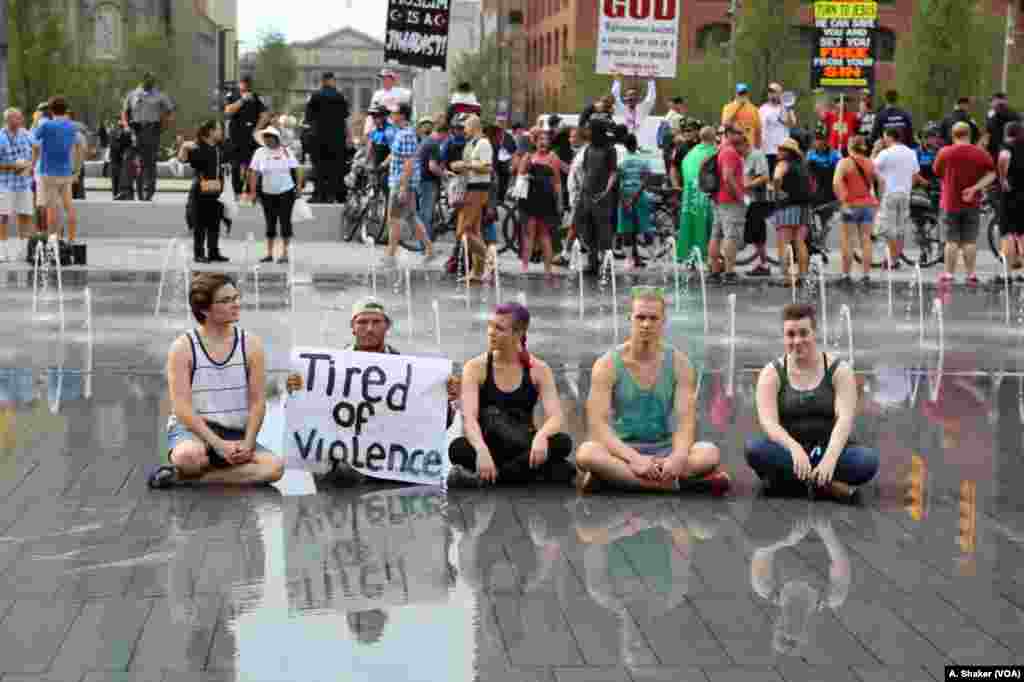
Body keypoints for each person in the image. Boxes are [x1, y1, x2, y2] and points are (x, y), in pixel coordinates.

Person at [574, 287, 729, 494]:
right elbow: (598, 425)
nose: (646, 324)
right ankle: (674, 485)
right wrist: (635, 459)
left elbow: (686, 422)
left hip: (664, 449)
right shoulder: (607, 364)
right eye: (640, 317)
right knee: (586, 453)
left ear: (663, 320)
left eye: (653, 318)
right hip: (622, 451)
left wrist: (678, 457)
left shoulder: (680, 363)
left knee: (709, 453)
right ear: (630, 318)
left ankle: (615, 479)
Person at [148, 272, 284, 489]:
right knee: (189, 457)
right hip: (193, 431)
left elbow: (258, 402)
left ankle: (184, 478)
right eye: (226, 301)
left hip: (236, 432)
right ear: (204, 309)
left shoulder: (251, 344)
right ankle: (214, 469)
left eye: (236, 298)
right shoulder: (183, 347)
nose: (236, 304)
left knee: (275, 468)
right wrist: (217, 444)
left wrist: (248, 443)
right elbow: (181, 408)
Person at [746, 303, 878, 502]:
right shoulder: (771, 373)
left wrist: (830, 458)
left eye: (803, 333)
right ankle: (824, 484)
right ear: (783, 337)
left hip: (829, 449)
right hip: (788, 453)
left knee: (867, 461)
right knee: (754, 449)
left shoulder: (839, 370)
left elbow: (845, 419)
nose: (797, 340)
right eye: (790, 334)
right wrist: (794, 448)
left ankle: (794, 481)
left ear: (814, 333)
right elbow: (768, 423)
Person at [449, 302, 573, 487]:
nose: (491, 332)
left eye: (499, 328)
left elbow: (556, 417)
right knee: (458, 448)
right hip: (491, 445)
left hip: (523, 442)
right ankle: (524, 474)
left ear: (518, 333)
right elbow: (469, 419)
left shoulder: (539, 369)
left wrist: (541, 436)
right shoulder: (475, 367)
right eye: (490, 325)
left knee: (563, 442)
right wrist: (482, 450)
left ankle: (494, 478)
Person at [933, 121, 997, 286]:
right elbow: (992, 174)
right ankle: (971, 274)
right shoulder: (980, 153)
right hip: (972, 203)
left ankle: (948, 274)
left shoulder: (945, 152)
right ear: (969, 134)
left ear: (953, 135)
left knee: (951, 240)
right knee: (970, 241)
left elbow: (937, 172)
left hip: (949, 201)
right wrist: (974, 188)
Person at [380, 103, 437, 269]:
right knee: (411, 218)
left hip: (401, 182)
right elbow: (399, 156)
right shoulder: (403, 133)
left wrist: (403, 187)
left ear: (402, 115)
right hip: (404, 182)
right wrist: (384, 164)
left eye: (395, 112)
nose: (392, 114)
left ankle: (390, 255)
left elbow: (409, 163)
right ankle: (429, 249)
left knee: (394, 219)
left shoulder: (405, 135)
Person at [244, 126, 302, 265]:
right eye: (265, 137)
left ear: (276, 138)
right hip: (267, 193)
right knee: (270, 223)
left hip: (286, 192)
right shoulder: (260, 152)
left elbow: (297, 168)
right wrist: (252, 192)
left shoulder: (286, 152)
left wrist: (298, 186)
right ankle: (269, 254)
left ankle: (285, 253)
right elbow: (254, 173)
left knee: (285, 222)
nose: (267, 140)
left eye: (270, 137)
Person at [30, 96, 83, 243]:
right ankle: (72, 240)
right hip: (66, 172)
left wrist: (36, 121)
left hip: (48, 173)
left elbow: (32, 140)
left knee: (52, 209)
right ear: (66, 110)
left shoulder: (46, 126)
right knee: (69, 207)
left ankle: (53, 242)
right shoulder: (72, 126)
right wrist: (76, 170)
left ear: (50, 110)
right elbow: (78, 146)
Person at [449, 114, 493, 281]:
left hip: (477, 190)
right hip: (471, 188)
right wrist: (458, 168)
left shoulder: (483, 143)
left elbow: (488, 168)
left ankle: (489, 259)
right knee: (474, 231)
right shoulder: (473, 143)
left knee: (463, 232)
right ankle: (477, 272)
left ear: (474, 127)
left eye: (465, 128)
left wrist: (465, 165)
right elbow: (473, 167)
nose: (463, 131)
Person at [178, 120, 228, 263]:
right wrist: (183, 146)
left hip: (217, 188)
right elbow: (182, 160)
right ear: (211, 131)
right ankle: (199, 254)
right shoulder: (198, 146)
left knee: (215, 222)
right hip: (201, 187)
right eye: (219, 129)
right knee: (200, 223)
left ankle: (213, 252)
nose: (221, 132)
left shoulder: (219, 147)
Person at [873, 126, 923, 268]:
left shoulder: (885, 153)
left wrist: (875, 150)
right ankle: (895, 259)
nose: (883, 140)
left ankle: (892, 260)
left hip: (890, 193)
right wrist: (908, 187)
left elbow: (871, 167)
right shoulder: (911, 153)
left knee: (889, 230)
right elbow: (915, 175)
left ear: (889, 137)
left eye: (884, 137)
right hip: (905, 194)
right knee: (900, 230)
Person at [121, 71, 175, 200]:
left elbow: (170, 112)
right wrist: (126, 126)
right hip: (135, 130)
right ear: (143, 80)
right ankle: (126, 190)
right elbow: (124, 112)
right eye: (148, 80)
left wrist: (163, 127)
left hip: (151, 130)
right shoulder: (132, 94)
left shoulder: (160, 96)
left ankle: (148, 189)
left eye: (152, 80)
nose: (150, 82)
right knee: (128, 159)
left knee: (149, 162)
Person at [832, 135, 878, 285]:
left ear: (849, 146)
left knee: (847, 240)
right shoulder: (870, 163)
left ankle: (846, 275)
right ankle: (866, 275)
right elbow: (881, 181)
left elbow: (836, 182)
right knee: (866, 240)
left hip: (850, 205)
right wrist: (879, 200)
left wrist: (842, 200)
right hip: (868, 206)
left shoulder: (844, 163)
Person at [517, 128, 563, 276]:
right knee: (529, 234)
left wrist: (560, 202)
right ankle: (524, 267)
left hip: (546, 200)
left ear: (549, 142)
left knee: (544, 234)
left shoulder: (553, 157)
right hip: (530, 199)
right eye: (540, 140)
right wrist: (525, 172)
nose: (543, 142)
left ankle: (548, 269)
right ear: (535, 142)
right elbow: (520, 176)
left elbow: (557, 182)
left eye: (546, 140)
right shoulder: (529, 156)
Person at [576, 117, 618, 276]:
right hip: (587, 195)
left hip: (603, 197)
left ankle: (606, 263)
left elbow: (613, 173)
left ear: (596, 131)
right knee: (589, 230)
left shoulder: (609, 149)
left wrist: (606, 192)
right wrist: (583, 191)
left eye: (589, 129)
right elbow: (586, 171)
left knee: (604, 231)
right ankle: (592, 263)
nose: (587, 132)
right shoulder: (588, 149)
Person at [708, 125, 747, 284]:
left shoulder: (720, 149)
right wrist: (739, 196)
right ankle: (729, 272)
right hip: (730, 201)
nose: (742, 134)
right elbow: (727, 176)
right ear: (729, 134)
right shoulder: (730, 152)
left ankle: (715, 271)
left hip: (719, 199)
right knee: (731, 235)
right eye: (739, 132)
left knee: (716, 235)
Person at [770, 138, 812, 285]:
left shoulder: (783, 164)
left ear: (788, 152)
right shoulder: (803, 166)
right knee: (801, 242)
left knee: (784, 243)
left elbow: (776, 178)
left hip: (787, 207)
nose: (779, 152)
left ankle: (786, 278)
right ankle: (803, 276)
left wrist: (778, 191)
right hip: (804, 207)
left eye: (782, 149)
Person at [305, 71, 351, 204]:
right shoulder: (340, 97)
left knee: (319, 167)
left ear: (322, 81)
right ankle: (334, 194)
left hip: (318, 138)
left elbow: (308, 119)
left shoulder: (315, 96)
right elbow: (345, 119)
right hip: (336, 139)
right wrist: (348, 137)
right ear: (331, 81)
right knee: (335, 167)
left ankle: (319, 194)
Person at [224, 75, 270, 197]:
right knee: (236, 164)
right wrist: (242, 100)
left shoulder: (256, 97)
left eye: (248, 84)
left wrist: (257, 129)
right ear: (239, 84)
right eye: (243, 83)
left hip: (251, 136)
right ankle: (237, 190)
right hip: (236, 135)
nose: (246, 86)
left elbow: (265, 115)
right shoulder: (232, 95)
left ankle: (252, 190)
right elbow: (228, 111)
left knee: (253, 164)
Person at [0, 108, 36, 259]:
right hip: (5, 183)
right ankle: (3, 250)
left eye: (20, 118)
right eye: (17, 118)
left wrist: (30, 165)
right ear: (8, 120)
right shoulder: (1, 137)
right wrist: (12, 167)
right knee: (3, 216)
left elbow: (37, 148)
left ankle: (23, 250)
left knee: (25, 215)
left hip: (23, 183)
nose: (20, 121)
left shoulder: (26, 134)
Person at [677, 125, 716, 263]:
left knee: (690, 225)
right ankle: (707, 259)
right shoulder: (714, 152)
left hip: (689, 196)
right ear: (713, 138)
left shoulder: (690, 153)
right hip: (705, 196)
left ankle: (689, 257)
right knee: (709, 228)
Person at [616, 133, 652, 270]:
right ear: (636, 144)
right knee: (638, 228)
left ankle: (629, 259)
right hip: (640, 196)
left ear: (625, 146)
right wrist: (636, 196)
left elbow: (617, 181)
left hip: (624, 195)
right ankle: (640, 258)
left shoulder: (620, 160)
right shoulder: (642, 159)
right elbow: (646, 178)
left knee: (626, 229)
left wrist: (624, 200)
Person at [743, 132, 773, 277]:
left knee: (757, 235)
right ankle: (761, 263)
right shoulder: (744, 156)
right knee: (754, 235)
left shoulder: (757, 155)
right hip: (750, 199)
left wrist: (748, 185)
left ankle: (763, 264)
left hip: (759, 199)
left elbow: (765, 176)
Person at [997, 121, 1024, 283]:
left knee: (1007, 233)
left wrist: (1003, 179)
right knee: (1022, 233)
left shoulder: (1007, 146)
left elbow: (1003, 158)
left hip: (1011, 195)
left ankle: (1007, 274)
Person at [416, 113, 448, 240]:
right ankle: (425, 245)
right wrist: (444, 174)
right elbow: (432, 166)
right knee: (426, 215)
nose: (446, 139)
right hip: (428, 183)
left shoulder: (426, 141)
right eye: (447, 135)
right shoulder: (434, 144)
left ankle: (423, 244)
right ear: (443, 132)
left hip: (421, 181)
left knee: (422, 213)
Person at [760, 83, 797, 175]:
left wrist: (787, 110)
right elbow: (759, 129)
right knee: (769, 177)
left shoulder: (787, 108)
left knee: (782, 178)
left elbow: (792, 124)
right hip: (767, 150)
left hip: (783, 150)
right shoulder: (762, 109)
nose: (772, 94)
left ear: (780, 94)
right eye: (770, 92)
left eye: (774, 92)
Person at [722, 83, 762, 150]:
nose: (742, 96)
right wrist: (739, 107)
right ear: (736, 94)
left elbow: (758, 130)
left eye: (744, 93)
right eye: (740, 93)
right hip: (733, 147)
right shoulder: (728, 107)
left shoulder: (754, 109)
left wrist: (757, 148)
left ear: (747, 94)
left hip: (749, 147)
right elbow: (726, 124)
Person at [986, 92, 1019, 163]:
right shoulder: (1016, 116)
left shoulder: (993, 119)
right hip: (1013, 155)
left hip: (1000, 154)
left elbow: (990, 138)